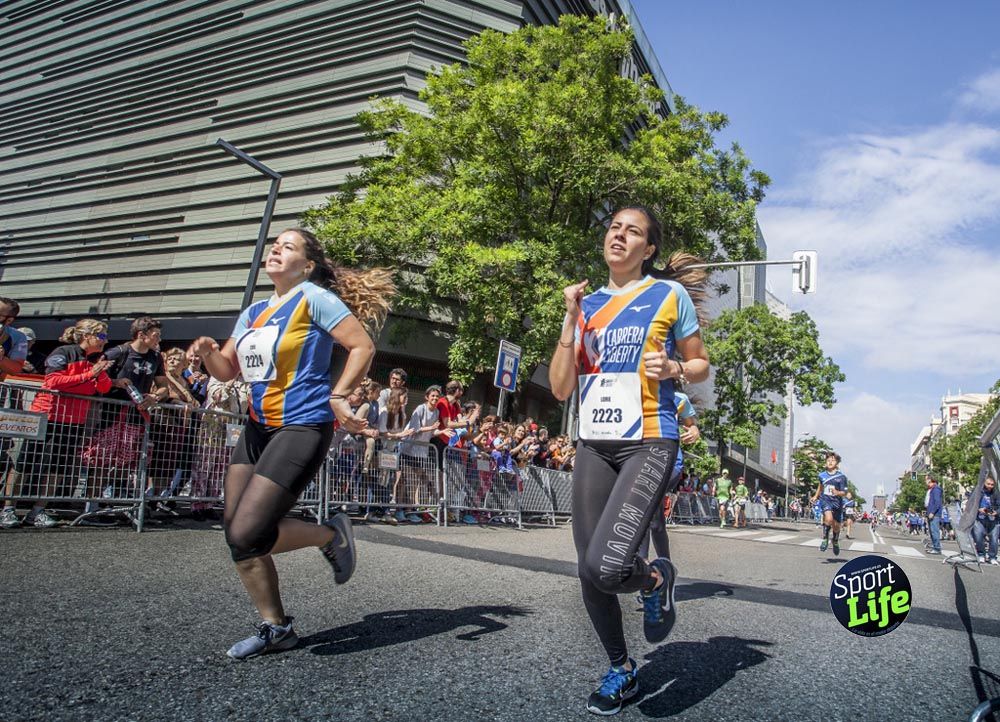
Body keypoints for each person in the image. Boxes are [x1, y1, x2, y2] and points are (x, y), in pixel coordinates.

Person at [191, 227, 393, 659]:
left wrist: (338, 395)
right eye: (274, 245)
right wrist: (208, 351)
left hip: (302, 425)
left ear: (307, 265)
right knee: (237, 536)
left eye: (288, 247)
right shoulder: (253, 313)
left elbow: (362, 346)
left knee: (248, 531)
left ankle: (327, 535)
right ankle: (277, 628)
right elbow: (227, 371)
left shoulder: (314, 299)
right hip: (258, 426)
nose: (276, 251)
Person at [548, 206, 710, 716]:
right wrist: (571, 319)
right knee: (587, 571)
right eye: (614, 227)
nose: (619, 235)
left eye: (632, 231)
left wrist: (677, 368)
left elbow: (701, 364)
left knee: (608, 563)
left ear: (649, 248)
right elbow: (558, 387)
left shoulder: (668, 295)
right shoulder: (588, 303)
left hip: (650, 439)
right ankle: (622, 668)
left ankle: (655, 579)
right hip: (595, 443)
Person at [0, 320, 112, 528]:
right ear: (87, 336)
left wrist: (101, 371)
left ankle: (37, 511)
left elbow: (104, 388)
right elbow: (52, 381)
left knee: (57, 468)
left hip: (74, 419)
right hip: (47, 414)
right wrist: (90, 374)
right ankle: (8, 509)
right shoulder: (64, 352)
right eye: (102, 336)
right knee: (25, 463)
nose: (105, 341)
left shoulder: (96, 359)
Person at [637, 391, 700, 561]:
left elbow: (691, 424)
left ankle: (643, 564)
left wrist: (694, 431)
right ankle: (666, 566)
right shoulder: (634, 390)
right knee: (655, 520)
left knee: (644, 504)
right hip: (642, 461)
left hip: (671, 464)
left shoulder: (680, 398)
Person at [810, 452, 848, 555]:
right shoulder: (821, 475)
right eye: (828, 460)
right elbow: (820, 487)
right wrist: (815, 496)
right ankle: (825, 538)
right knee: (828, 519)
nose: (830, 462)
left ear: (837, 463)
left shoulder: (842, 477)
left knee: (836, 526)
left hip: (837, 503)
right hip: (825, 500)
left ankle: (835, 540)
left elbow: (844, 493)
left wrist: (837, 492)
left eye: (833, 460)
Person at [972, 476, 998, 565]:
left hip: (993, 519)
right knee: (978, 537)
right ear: (984, 483)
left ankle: (992, 557)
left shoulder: (996, 493)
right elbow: (971, 504)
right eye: (988, 484)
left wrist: (996, 512)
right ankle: (981, 554)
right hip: (980, 518)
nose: (990, 486)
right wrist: (979, 509)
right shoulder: (978, 492)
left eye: (992, 485)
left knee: (994, 539)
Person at [924, 476, 943, 555]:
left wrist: (932, 512)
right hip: (930, 513)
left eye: (926, 480)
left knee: (934, 531)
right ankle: (935, 546)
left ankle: (937, 548)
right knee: (932, 531)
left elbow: (937, 502)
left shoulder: (936, 489)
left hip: (934, 514)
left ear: (931, 481)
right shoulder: (931, 490)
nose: (925, 481)